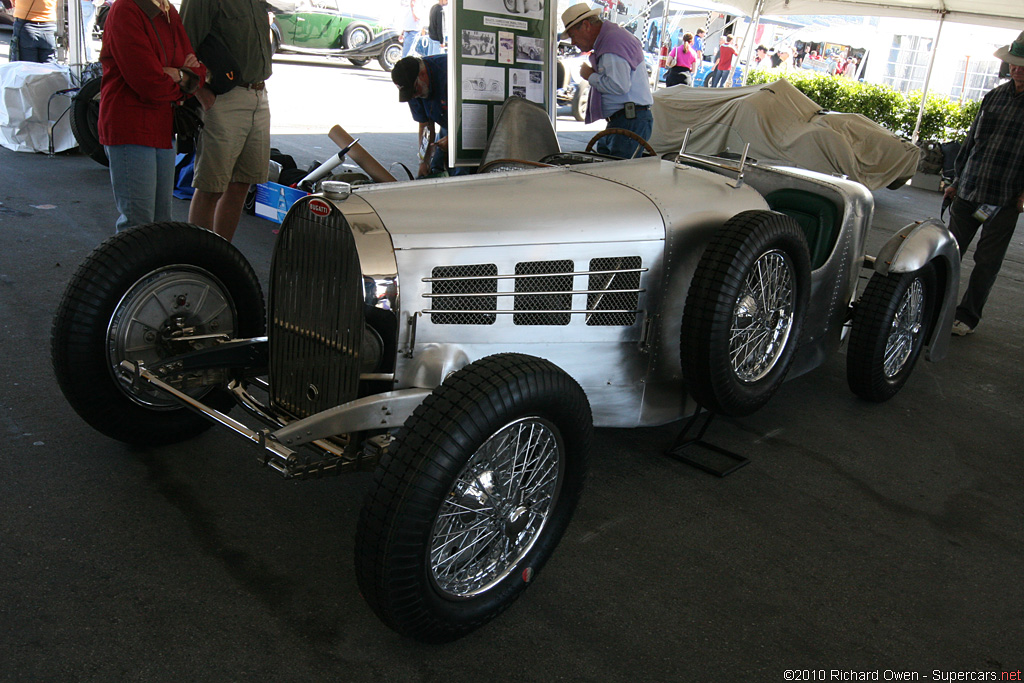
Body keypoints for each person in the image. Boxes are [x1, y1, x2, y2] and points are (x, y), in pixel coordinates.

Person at [941, 30, 1024, 336]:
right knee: (950, 252)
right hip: (969, 189)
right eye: (1013, 63)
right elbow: (972, 142)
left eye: (1022, 64)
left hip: (1005, 197)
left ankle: (967, 315)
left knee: (987, 261)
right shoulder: (994, 96)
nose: (1016, 68)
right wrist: (955, 180)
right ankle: (938, 306)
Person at [98, 0, 205, 232]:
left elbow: (197, 73)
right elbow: (148, 82)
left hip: (162, 127)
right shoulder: (126, 9)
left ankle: (154, 270)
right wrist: (182, 77)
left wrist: (177, 74)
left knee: (160, 223)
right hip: (130, 125)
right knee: (138, 224)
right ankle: (131, 269)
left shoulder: (168, 11)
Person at [180, 0, 273, 242]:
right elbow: (183, 45)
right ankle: (200, 263)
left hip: (258, 94)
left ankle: (221, 259)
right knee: (211, 187)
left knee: (242, 183)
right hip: (224, 97)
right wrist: (200, 91)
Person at [560, 3, 653, 159]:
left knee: (615, 176)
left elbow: (619, 86)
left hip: (629, 121)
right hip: (626, 120)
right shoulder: (611, 38)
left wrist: (590, 76)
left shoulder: (612, 41)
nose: (573, 43)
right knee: (609, 171)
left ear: (586, 25)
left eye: (573, 36)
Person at [391, 54, 455, 178]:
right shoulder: (413, 88)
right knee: (434, 168)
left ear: (422, 74)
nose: (414, 96)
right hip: (446, 123)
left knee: (459, 171)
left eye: (415, 91)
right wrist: (424, 161)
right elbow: (425, 125)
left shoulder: (449, 73)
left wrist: (455, 141)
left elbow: (474, 117)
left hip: (467, 123)